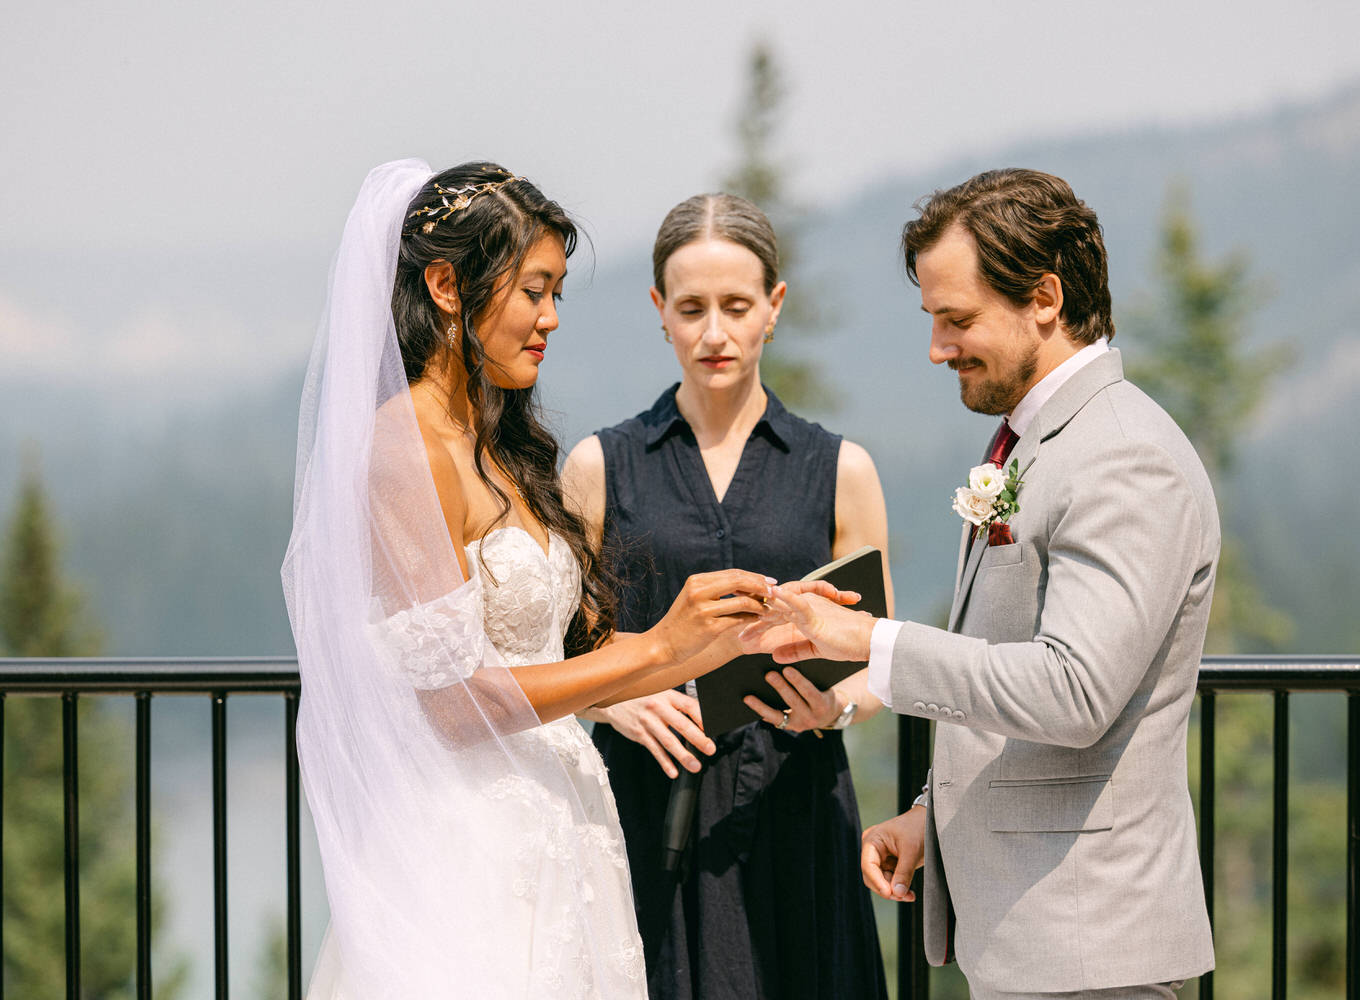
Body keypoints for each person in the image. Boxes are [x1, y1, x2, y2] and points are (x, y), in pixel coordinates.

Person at [282, 161, 842, 998]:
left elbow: (546, 648)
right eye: (533, 290)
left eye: (558, 294)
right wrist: (657, 648)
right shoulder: (403, 449)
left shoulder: (497, 437)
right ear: (445, 285)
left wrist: (732, 636)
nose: (550, 319)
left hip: (563, 829)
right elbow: (449, 701)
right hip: (470, 856)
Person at [742, 169, 1219, 999]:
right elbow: (1008, 665)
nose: (937, 348)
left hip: (1089, 949)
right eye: (933, 319)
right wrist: (936, 818)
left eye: (956, 319)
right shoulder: (1037, 444)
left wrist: (869, 642)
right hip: (1035, 938)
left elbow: (1073, 693)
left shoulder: (1121, 457)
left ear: (1044, 297)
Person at [562, 192, 891, 999]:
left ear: (773, 308)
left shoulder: (841, 468)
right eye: (692, 308)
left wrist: (839, 707)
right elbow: (559, 654)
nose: (715, 332)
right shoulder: (598, 467)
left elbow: (879, 654)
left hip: (797, 800)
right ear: (659, 312)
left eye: (737, 307)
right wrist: (616, 705)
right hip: (643, 804)